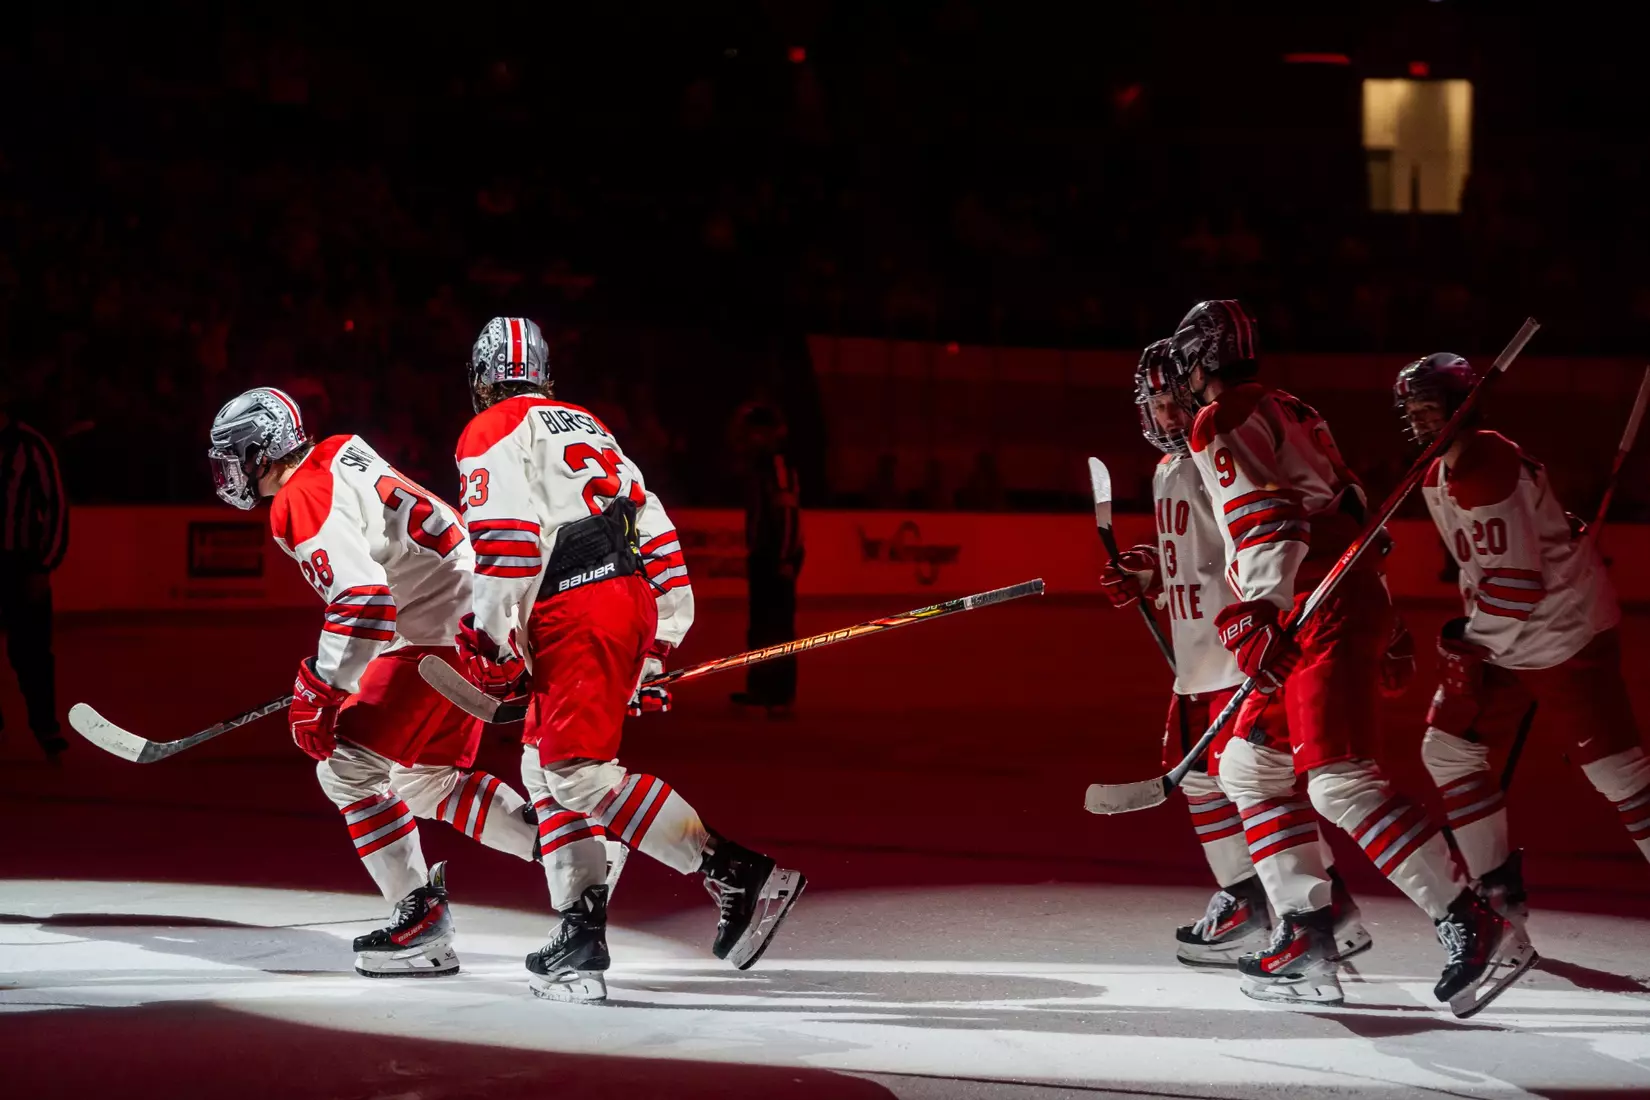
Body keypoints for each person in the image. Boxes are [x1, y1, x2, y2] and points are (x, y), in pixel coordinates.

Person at [1168, 300, 1530, 1016]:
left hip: (1313, 606)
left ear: (1199, 359)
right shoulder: (1290, 405)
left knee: (1337, 783)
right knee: (1248, 765)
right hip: (1330, 598)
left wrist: (1262, 611)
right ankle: (1309, 929)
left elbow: (1269, 518)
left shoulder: (1220, 419)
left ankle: (1472, 920)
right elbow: (1355, 513)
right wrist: (1384, 618)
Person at [452, 316, 805, 1003]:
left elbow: (510, 545)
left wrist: (490, 636)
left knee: (578, 776)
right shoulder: (588, 425)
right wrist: (660, 639)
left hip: (573, 607)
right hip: (622, 599)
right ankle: (579, 931)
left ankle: (733, 869)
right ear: (547, 376)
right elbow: (657, 528)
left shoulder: (490, 428)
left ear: (481, 381)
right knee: (541, 764)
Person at [207, 386, 549, 978]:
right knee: (425, 780)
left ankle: (419, 921)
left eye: (233, 455)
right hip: (476, 620)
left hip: (436, 633)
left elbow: (364, 603)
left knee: (346, 770)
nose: (228, 471)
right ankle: (569, 849)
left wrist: (323, 688)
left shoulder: (297, 497)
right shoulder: (339, 451)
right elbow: (386, 582)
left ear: (261, 451)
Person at [1100, 341, 1371, 968]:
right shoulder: (1169, 469)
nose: (1167, 416)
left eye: (1175, 400)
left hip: (1234, 647)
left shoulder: (1210, 453)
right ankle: (1259, 897)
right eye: (1156, 404)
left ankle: (1307, 907)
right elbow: (1193, 560)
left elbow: (1250, 548)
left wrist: (1258, 620)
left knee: (1250, 780)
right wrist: (1149, 577)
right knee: (1198, 777)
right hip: (1196, 655)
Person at [1396, 353, 1650, 914]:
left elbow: (1515, 587)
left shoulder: (1485, 462)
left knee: (1618, 775)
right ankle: (1495, 890)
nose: (1418, 420)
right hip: (1510, 637)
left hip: (1563, 636)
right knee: (1448, 750)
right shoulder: (1441, 470)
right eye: (1410, 410)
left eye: (1429, 407)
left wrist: (1467, 642)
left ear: (1463, 406)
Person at [0, 406, 68, 762]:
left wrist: (43, 566)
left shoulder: (30, 445)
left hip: (20, 565)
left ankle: (45, 726)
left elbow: (55, 506)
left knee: (31, 653)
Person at [730, 401, 804, 716]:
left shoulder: (777, 467)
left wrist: (785, 557)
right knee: (760, 626)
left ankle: (779, 693)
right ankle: (760, 687)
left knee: (777, 627)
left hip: (777, 557)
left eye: (753, 433)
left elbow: (787, 514)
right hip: (765, 555)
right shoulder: (761, 468)